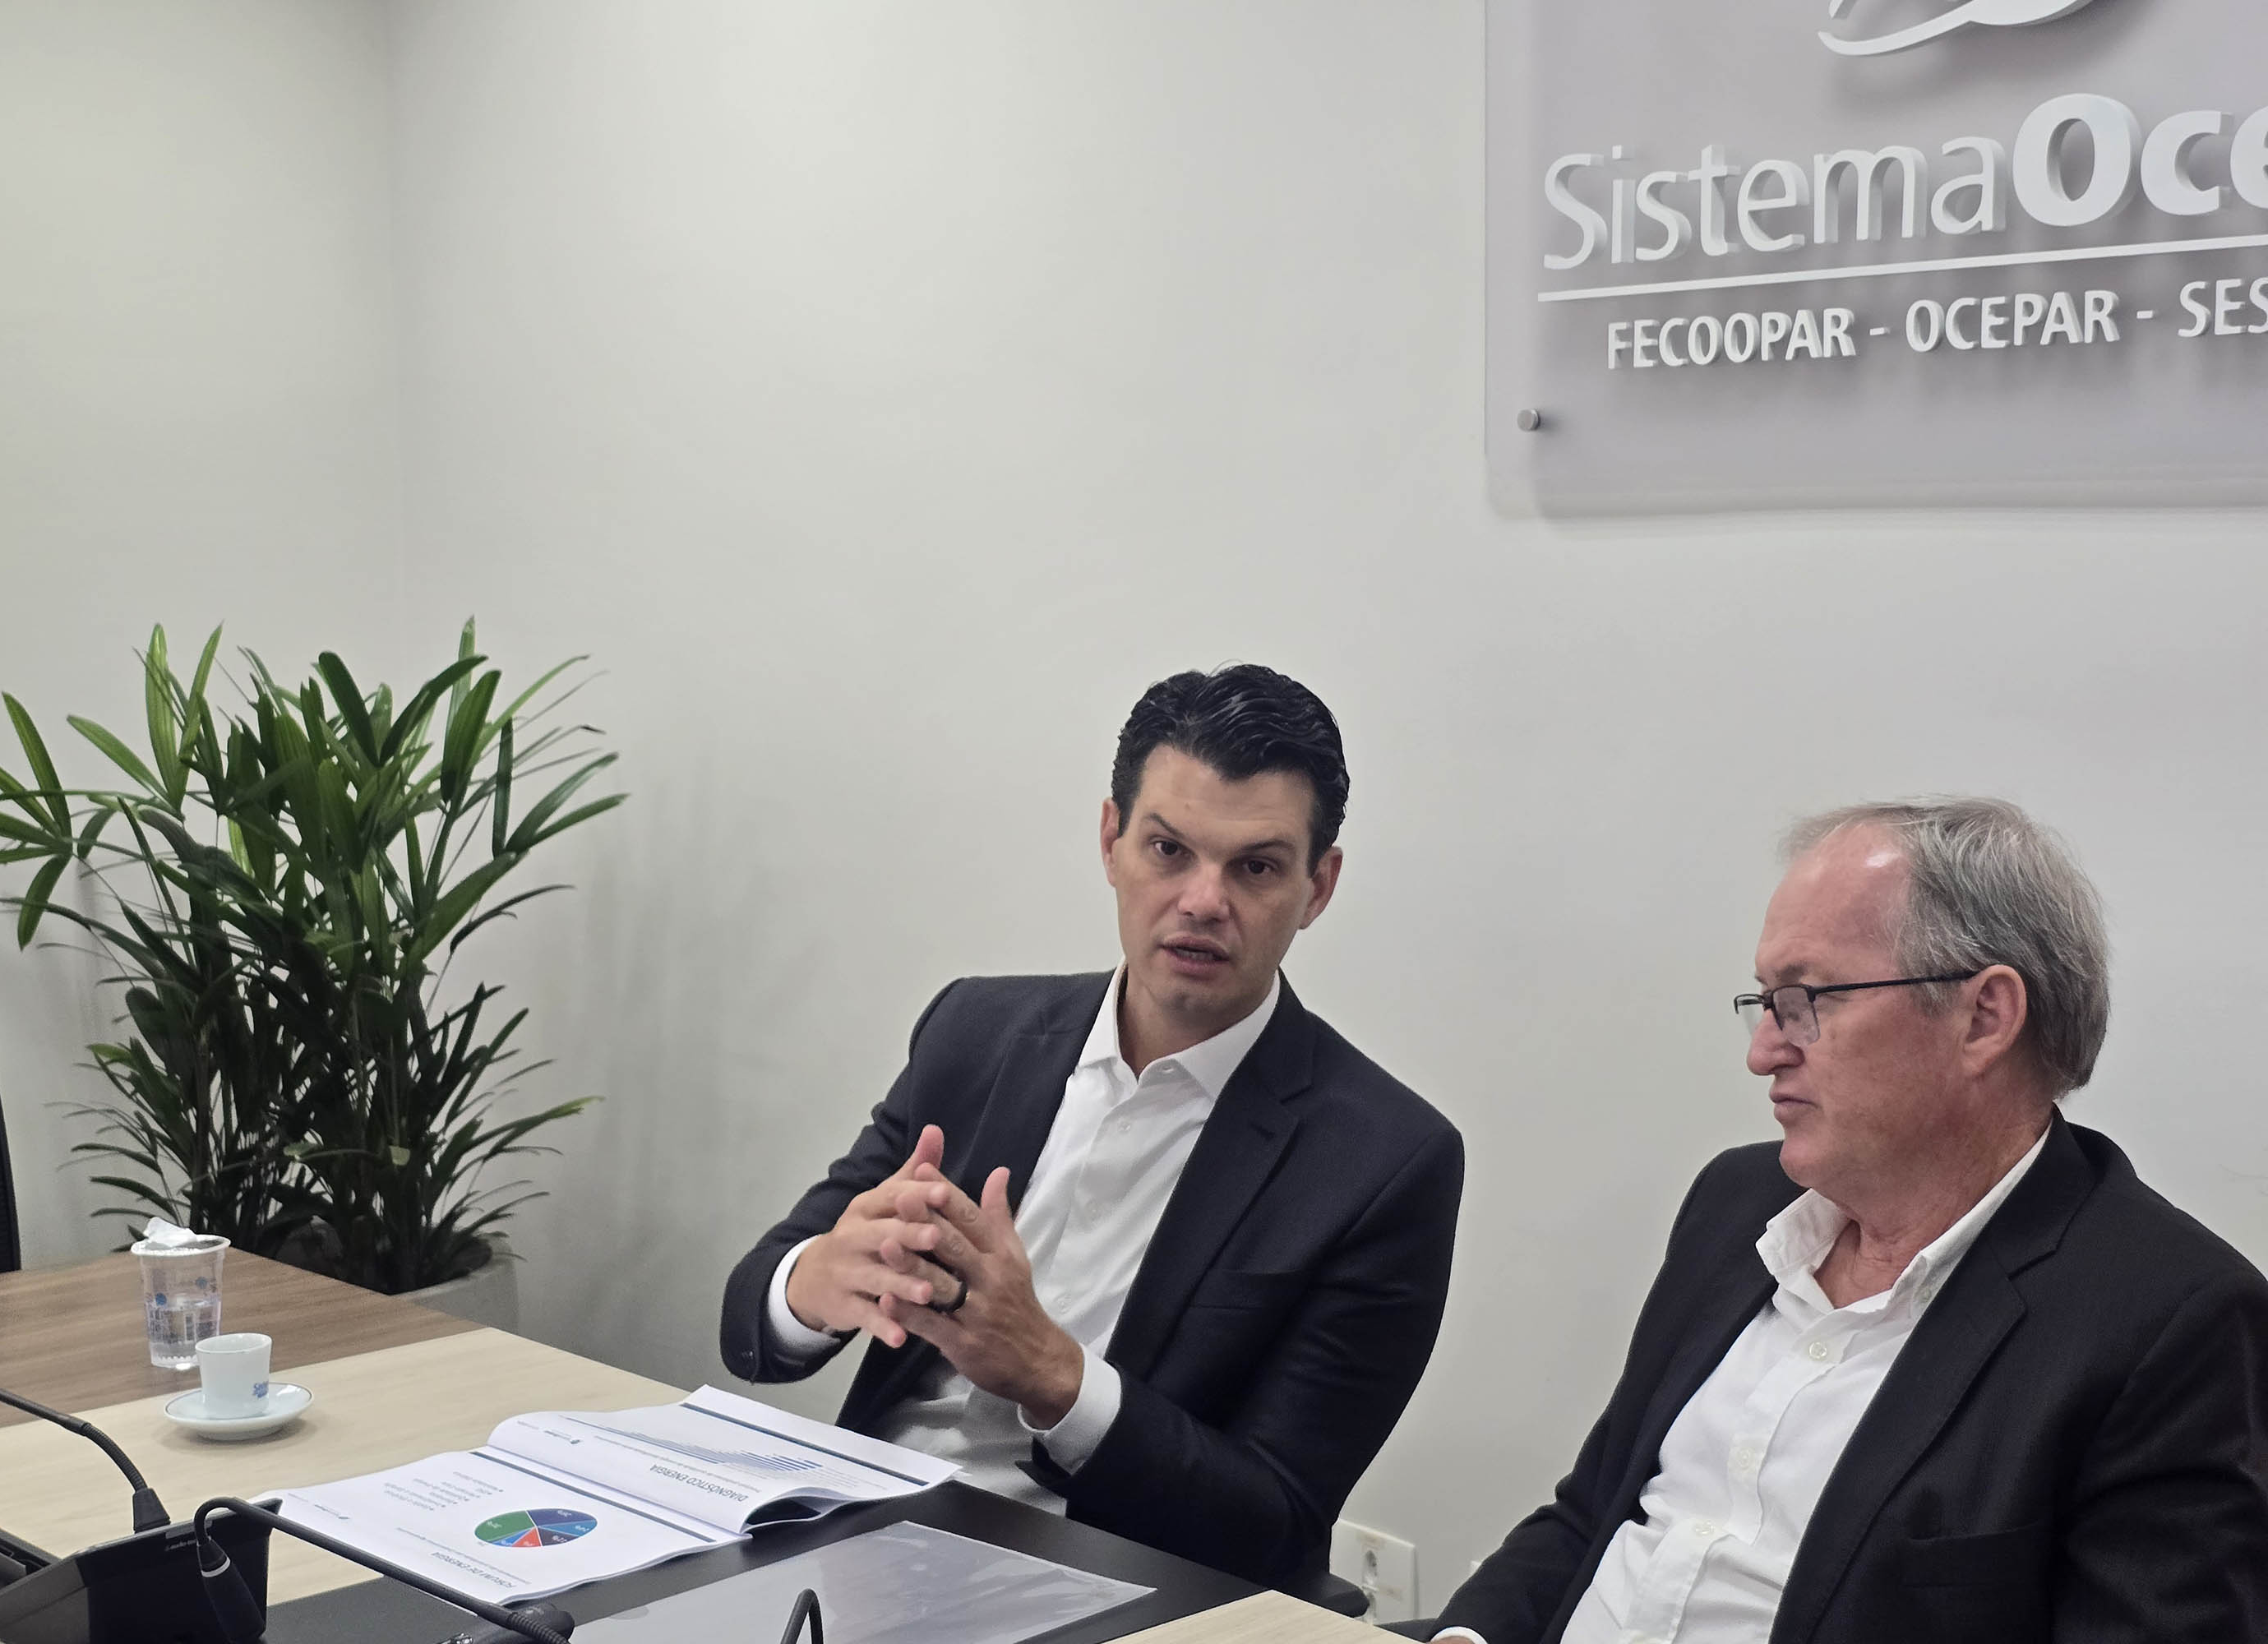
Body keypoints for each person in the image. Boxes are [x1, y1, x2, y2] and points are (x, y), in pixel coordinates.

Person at [1413, 798, 2268, 1644]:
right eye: (1764, 1002)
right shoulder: (1736, 1201)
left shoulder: (2168, 1322)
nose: (1763, 1051)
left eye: (1806, 999)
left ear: (1984, 1017)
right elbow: (1594, 1507)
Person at [720, 663, 1464, 1590]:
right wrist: (819, 1278)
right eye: (1168, 850)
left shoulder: (1384, 1161)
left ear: (1318, 886)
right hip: (863, 1542)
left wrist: (1055, 1376)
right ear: (1112, 841)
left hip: (1117, 1585)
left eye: (1256, 867)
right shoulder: (976, 1030)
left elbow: (1277, 1523)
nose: (1203, 900)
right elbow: (750, 1323)